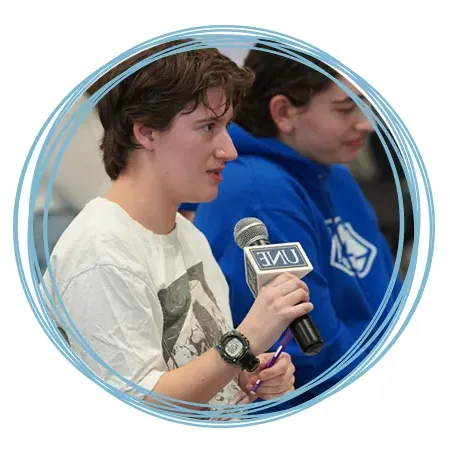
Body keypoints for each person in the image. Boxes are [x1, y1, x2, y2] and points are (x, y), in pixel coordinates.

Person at [39, 39, 314, 419]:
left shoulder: (186, 234)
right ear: (146, 132)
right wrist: (245, 340)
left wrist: (249, 372)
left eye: (226, 126)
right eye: (207, 127)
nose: (230, 150)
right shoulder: (99, 249)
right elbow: (138, 404)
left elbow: (194, 368)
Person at [188, 41, 403, 408]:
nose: (366, 123)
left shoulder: (331, 171)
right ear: (284, 112)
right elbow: (310, 350)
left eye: (366, 104)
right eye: (344, 108)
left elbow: (389, 288)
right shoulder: (258, 194)